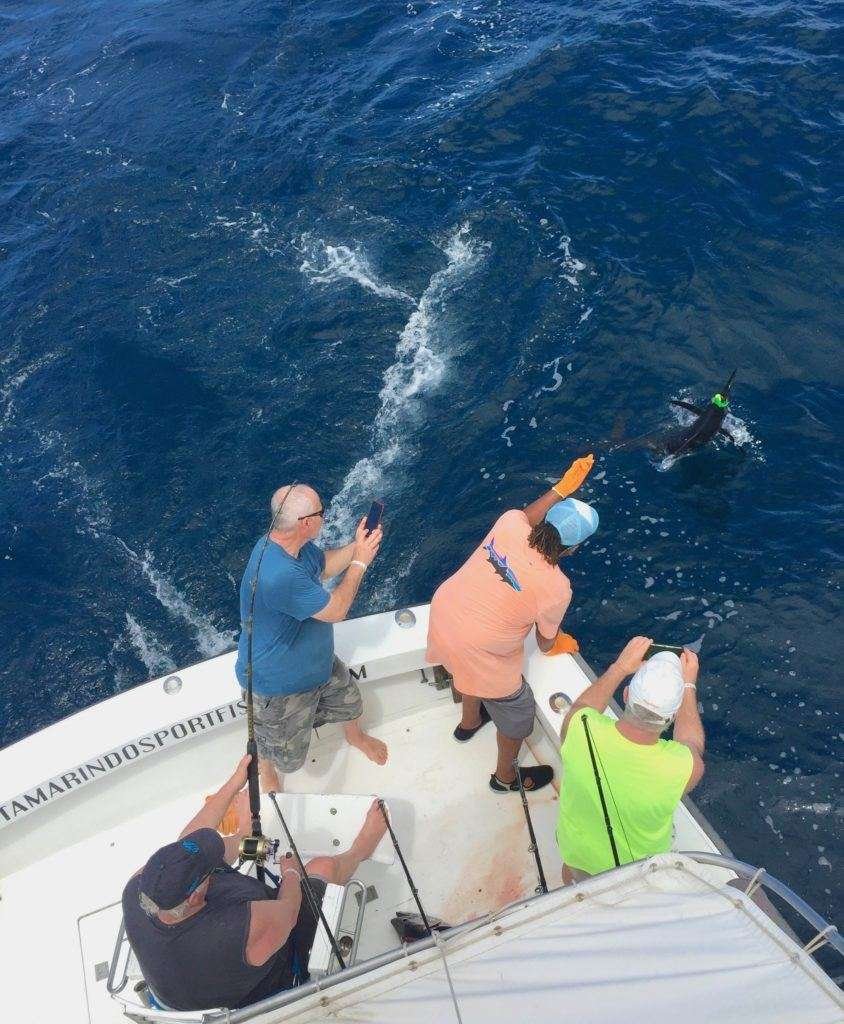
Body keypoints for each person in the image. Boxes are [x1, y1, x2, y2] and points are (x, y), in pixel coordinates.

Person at [122, 755, 387, 1012]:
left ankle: (252, 828)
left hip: (189, 985)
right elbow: (289, 910)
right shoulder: (238, 931)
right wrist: (292, 873)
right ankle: (361, 850)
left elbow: (187, 843)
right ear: (192, 897)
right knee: (322, 867)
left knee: (237, 849)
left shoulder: (137, 887)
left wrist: (236, 782)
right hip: (273, 970)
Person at [426, 455, 598, 794]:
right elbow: (546, 643)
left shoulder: (509, 524)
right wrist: (560, 641)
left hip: (444, 614)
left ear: (548, 521)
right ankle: (504, 778)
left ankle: (469, 722)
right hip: (479, 646)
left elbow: (527, 515)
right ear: (574, 547)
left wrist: (561, 489)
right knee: (519, 715)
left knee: (468, 666)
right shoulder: (557, 587)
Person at [235, 484, 386, 793]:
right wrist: (361, 562)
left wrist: (358, 545)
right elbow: (337, 610)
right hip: (279, 686)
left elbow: (325, 567)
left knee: (351, 703)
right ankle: (266, 770)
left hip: (319, 665)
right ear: (305, 523)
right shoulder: (280, 574)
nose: (325, 516)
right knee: (283, 756)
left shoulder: (295, 547)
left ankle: (354, 736)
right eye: (321, 512)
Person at [556, 636, 705, 883]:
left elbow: (581, 706)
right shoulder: (684, 766)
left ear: (626, 694)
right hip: (635, 873)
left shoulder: (580, 727)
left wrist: (620, 668)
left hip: (576, 851)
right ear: (673, 715)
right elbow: (692, 744)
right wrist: (688, 686)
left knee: (574, 874)